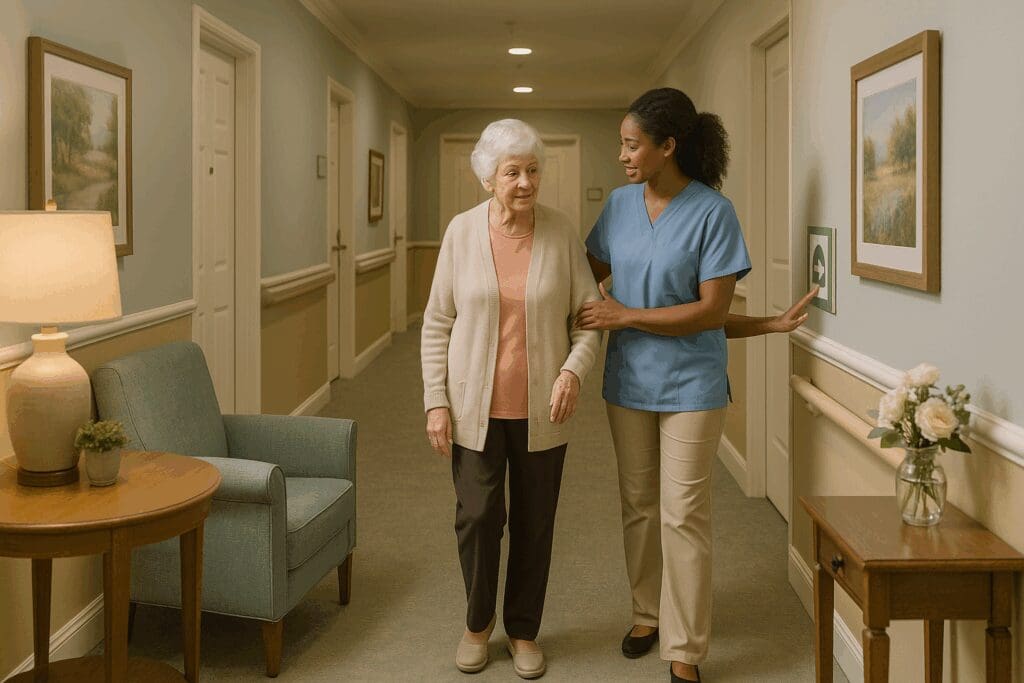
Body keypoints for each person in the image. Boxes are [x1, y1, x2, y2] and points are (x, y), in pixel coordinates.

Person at [576, 87, 816, 683]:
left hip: (692, 387)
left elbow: (709, 312)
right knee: (638, 506)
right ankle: (645, 613)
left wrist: (624, 314)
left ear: (668, 146)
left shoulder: (713, 212)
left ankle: (685, 649)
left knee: (683, 512)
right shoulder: (619, 206)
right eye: (622, 145)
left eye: (633, 145)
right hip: (626, 381)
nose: (624, 156)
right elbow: (582, 278)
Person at [421, 119, 601, 679]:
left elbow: (588, 321)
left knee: (534, 521)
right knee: (477, 516)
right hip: (474, 408)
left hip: (542, 411)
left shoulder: (560, 232)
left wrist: (572, 371)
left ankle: (523, 630)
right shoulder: (460, 233)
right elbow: (436, 324)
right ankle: (478, 625)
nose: (525, 182)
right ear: (487, 178)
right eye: (512, 172)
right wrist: (436, 401)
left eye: (532, 170)